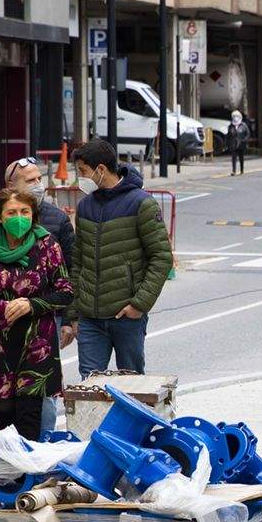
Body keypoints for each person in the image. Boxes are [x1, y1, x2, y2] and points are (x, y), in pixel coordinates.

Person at [0, 155, 76, 441]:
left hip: (38, 340)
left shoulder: (47, 245)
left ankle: (28, 476)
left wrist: (30, 304)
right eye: (12, 213)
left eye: (24, 213)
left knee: (30, 416)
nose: (19, 219)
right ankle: (3, 473)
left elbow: (64, 290)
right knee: (3, 412)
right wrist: (2, 307)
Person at [68, 137, 174, 374]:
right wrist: (74, 312)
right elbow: (78, 262)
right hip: (90, 319)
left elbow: (162, 257)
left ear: (101, 170)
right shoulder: (85, 206)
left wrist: (139, 305)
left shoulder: (141, 204)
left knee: (131, 385)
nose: (80, 178)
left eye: (83, 171)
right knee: (90, 389)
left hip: (126, 317)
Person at [228, 110, 249, 175]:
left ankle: (242, 170)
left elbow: (248, 134)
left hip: (241, 144)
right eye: (234, 116)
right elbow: (228, 135)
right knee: (234, 158)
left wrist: (244, 140)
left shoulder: (243, 125)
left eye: (237, 116)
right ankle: (234, 171)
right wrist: (228, 144)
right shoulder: (231, 125)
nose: (235, 117)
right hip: (233, 144)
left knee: (241, 158)